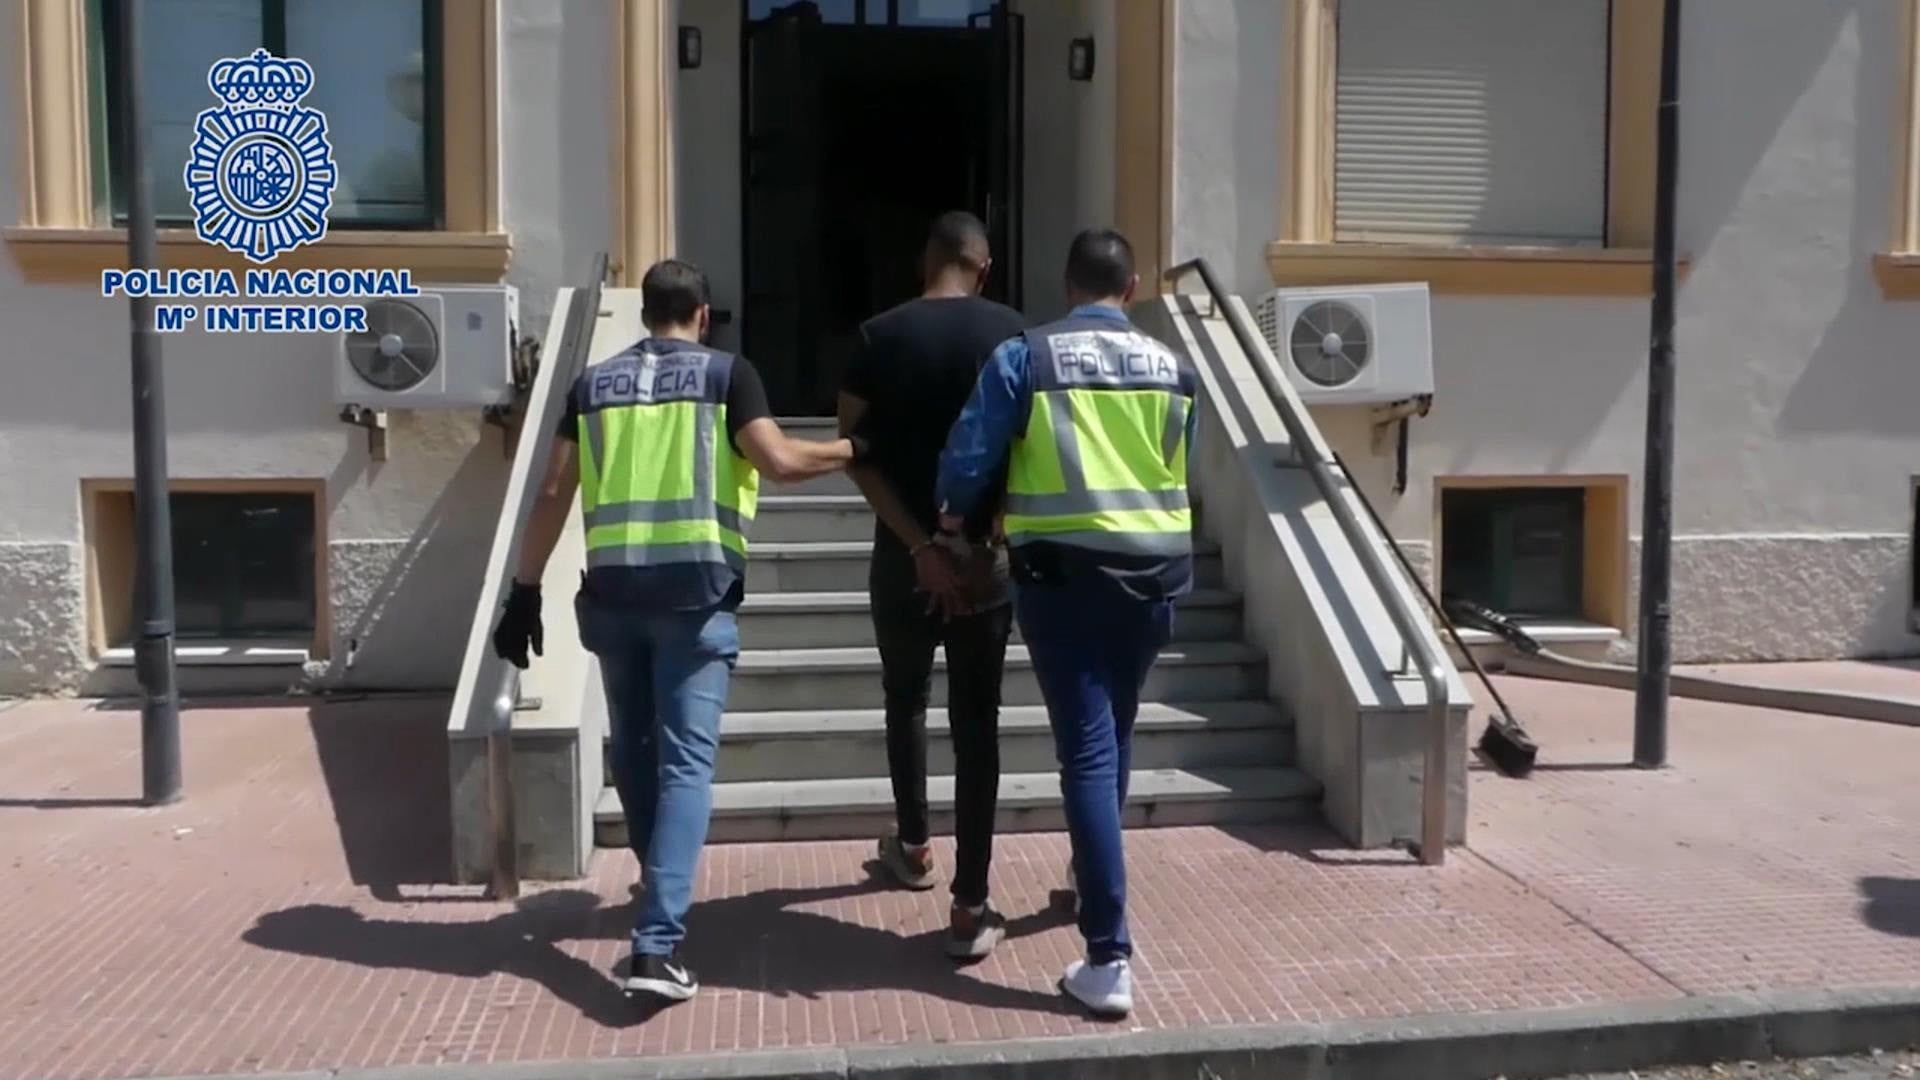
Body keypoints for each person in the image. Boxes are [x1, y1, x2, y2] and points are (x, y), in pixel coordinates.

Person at [492, 259, 871, 1004]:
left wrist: (523, 594)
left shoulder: (590, 386)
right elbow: (781, 460)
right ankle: (656, 946)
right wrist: (858, 449)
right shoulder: (727, 375)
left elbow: (550, 491)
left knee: (633, 747)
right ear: (702, 315)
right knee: (685, 766)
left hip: (613, 595)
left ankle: (655, 873)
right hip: (693, 601)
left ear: (647, 316)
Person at [933, 228, 1196, 1018]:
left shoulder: (1029, 356)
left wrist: (951, 523)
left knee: (1084, 753)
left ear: (1066, 283)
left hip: (1063, 578)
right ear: (1135, 284)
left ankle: (1108, 954)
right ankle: (1092, 871)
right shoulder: (1173, 367)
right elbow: (1179, 458)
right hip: (1153, 574)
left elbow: (970, 453)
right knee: (1113, 736)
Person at [836, 210, 1027, 960]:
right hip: (985, 559)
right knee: (977, 722)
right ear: (984, 266)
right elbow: (1030, 446)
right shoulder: (1015, 332)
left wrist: (920, 544)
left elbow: (855, 451)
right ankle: (970, 904)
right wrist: (982, 540)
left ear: (928, 263)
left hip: (901, 555)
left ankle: (913, 846)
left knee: (905, 696)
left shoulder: (878, 335)